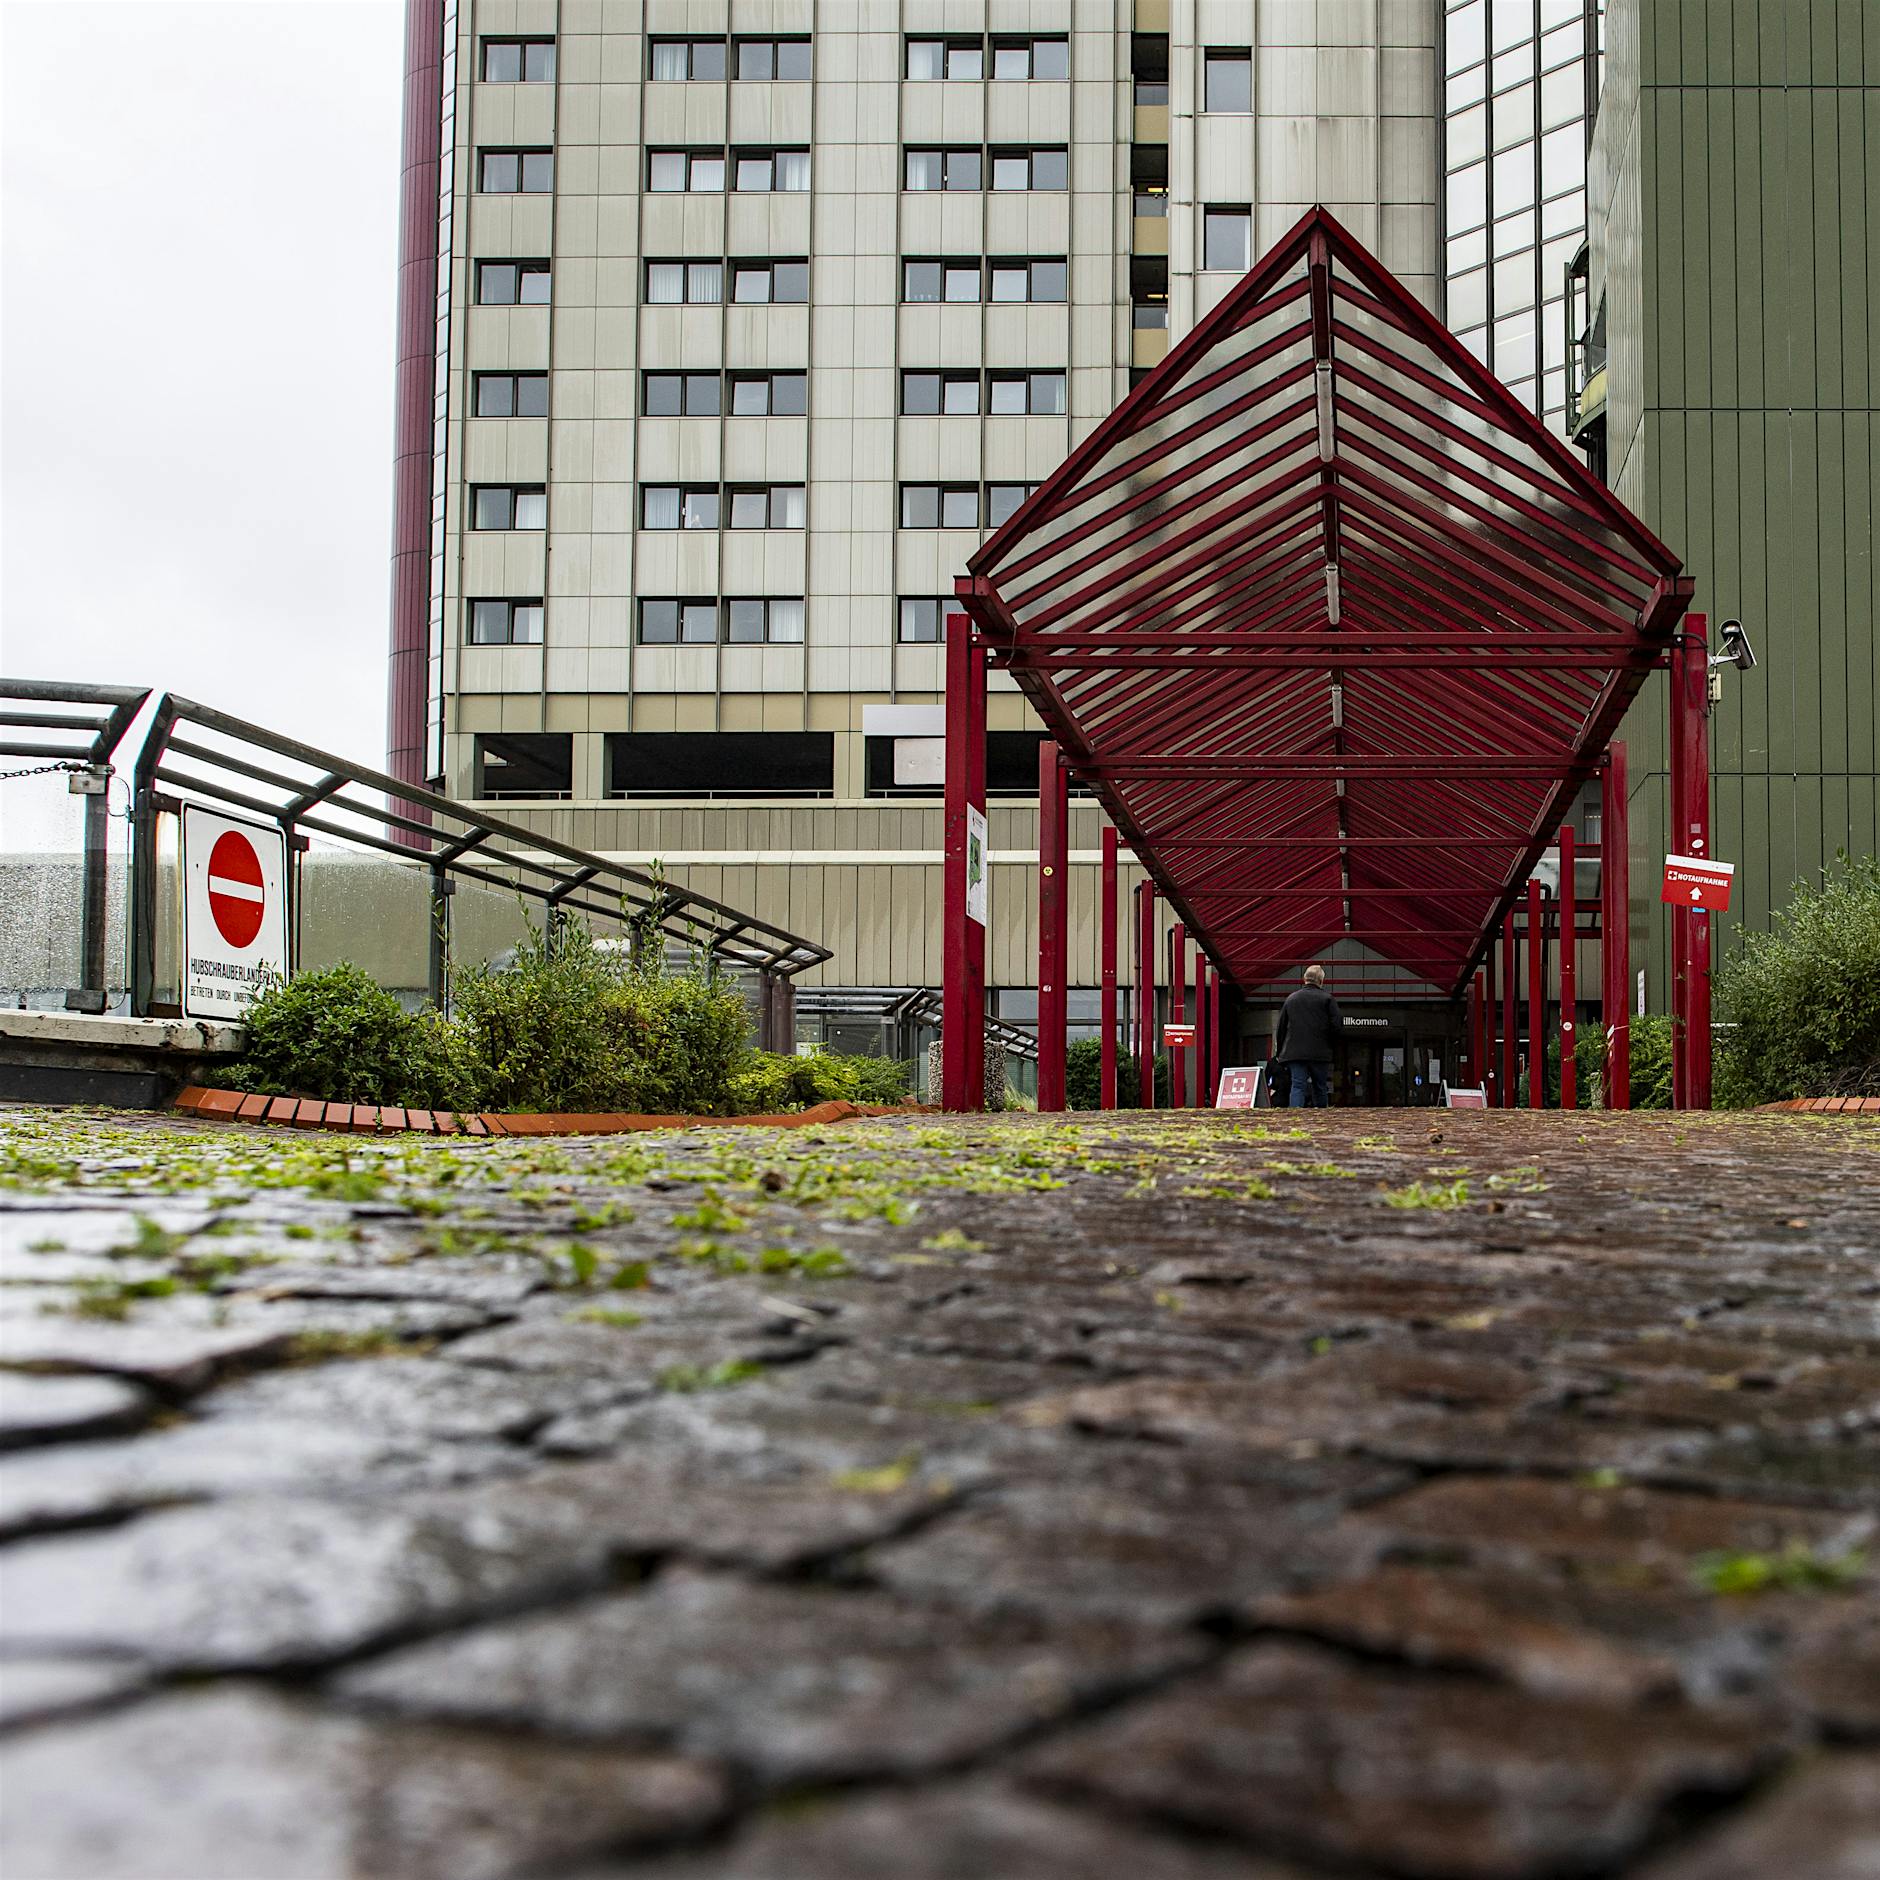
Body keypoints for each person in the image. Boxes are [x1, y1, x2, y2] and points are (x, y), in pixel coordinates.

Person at [1274, 963, 1342, 1108]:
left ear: (1304, 979)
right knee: (1320, 1086)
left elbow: (1281, 1028)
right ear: (1321, 981)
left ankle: (1296, 1118)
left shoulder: (1291, 999)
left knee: (1297, 1085)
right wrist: (1332, 1047)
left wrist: (1280, 1052)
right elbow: (1337, 1026)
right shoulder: (1327, 999)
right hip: (1320, 1052)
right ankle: (1321, 1118)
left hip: (1295, 1053)